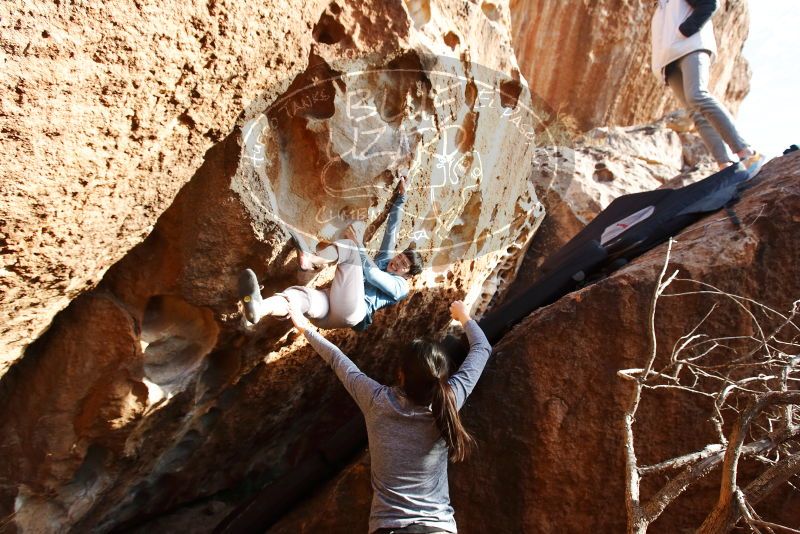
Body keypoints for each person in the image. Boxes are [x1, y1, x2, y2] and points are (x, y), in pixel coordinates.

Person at [287, 298, 492, 534]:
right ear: (442, 377)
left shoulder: (377, 401)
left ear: (401, 374)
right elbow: (482, 348)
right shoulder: (450, 400)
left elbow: (337, 359)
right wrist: (463, 316)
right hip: (438, 528)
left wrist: (305, 327)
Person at [238, 177, 422, 331]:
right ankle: (259, 308)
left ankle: (311, 260)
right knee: (296, 297)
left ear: (407, 275)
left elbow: (372, 275)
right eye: (400, 257)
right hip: (331, 310)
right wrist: (402, 197)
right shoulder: (385, 260)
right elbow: (392, 230)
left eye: (404, 265)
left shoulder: (401, 287)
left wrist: (358, 245)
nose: (397, 262)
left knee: (351, 248)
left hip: (354, 310)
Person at [651, 0, 766, 176]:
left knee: (698, 95)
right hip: (669, 64)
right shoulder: (659, 8)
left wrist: (685, 30)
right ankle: (725, 165)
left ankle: (746, 152)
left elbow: (710, 4)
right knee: (695, 113)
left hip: (690, 47)